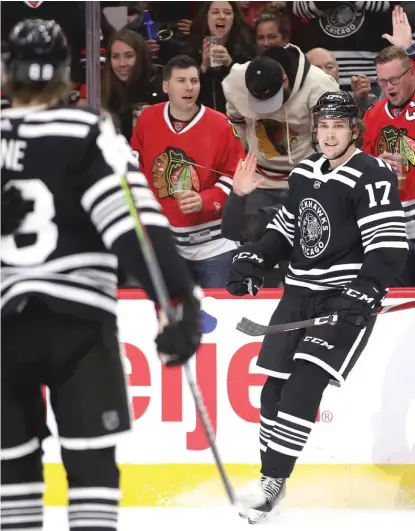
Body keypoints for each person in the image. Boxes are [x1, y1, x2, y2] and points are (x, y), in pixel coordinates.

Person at [0, 19, 202, 531]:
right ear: (65, 74)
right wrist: (178, 300)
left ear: (9, 72)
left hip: (5, 327)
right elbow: (135, 224)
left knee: (12, 475)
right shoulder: (88, 132)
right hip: (79, 325)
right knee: (91, 467)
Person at [226, 91, 408, 524]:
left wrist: (364, 292)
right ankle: (274, 479)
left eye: (337, 126)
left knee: (304, 383)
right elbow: (288, 230)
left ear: (353, 130)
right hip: (298, 296)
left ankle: (271, 481)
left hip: (341, 298)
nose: (328, 135)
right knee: (272, 390)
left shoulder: (372, 175)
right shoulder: (306, 172)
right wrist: (255, 257)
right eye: (323, 126)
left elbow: (389, 246)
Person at [131, 54, 245, 288]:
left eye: (194, 80)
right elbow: (135, 170)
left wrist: (206, 199)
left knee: (219, 315)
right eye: (181, 80)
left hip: (215, 245)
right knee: (173, 319)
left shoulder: (221, 125)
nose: (189, 87)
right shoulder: (147, 119)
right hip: (166, 245)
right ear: (166, 86)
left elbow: (236, 175)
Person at [362, 44, 415, 286]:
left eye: (393, 79)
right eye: (382, 82)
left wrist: (410, 48)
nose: (388, 88)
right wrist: (376, 166)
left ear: (411, 73)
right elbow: (359, 167)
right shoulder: (372, 116)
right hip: (394, 225)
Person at [185, 1, 256, 113]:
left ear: (234, 18)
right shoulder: (191, 50)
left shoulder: (246, 50)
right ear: (206, 17)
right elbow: (184, 94)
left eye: (227, 13)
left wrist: (231, 65)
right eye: (215, 12)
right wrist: (203, 67)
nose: (222, 17)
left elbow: (252, 91)